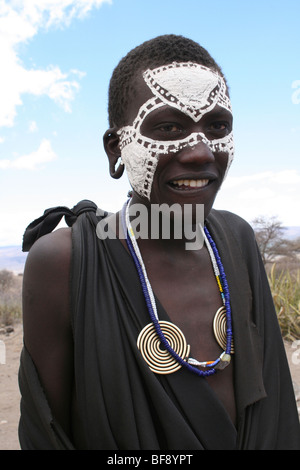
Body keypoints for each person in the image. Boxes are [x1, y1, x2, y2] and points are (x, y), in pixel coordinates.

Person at [19, 34, 300, 450]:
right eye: (169, 127)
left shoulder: (237, 239)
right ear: (117, 148)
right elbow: (49, 434)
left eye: (218, 126)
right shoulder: (66, 262)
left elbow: (274, 406)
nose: (201, 151)